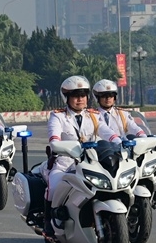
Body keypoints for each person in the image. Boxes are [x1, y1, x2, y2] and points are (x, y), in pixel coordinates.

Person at [41, 75, 121, 227]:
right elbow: (54, 136)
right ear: (66, 98)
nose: (80, 99)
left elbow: (105, 131)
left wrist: (118, 142)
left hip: (91, 162)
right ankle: (48, 223)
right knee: (54, 187)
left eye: (83, 95)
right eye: (75, 96)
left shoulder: (93, 116)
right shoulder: (58, 116)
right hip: (66, 163)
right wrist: (56, 144)